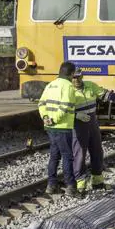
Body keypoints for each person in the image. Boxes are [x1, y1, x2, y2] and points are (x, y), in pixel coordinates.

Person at [71, 68, 115, 193]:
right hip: (78, 124)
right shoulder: (67, 90)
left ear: (82, 76)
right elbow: (63, 108)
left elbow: (106, 94)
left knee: (97, 151)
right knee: (80, 153)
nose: (76, 80)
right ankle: (80, 183)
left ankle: (97, 182)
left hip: (92, 122)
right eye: (74, 77)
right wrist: (75, 115)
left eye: (78, 77)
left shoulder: (90, 86)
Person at [38, 61, 79, 196]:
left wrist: (46, 118)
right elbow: (66, 106)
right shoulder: (68, 86)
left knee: (54, 156)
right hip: (63, 127)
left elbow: (41, 103)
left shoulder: (51, 85)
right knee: (67, 156)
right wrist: (55, 119)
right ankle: (71, 187)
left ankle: (51, 185)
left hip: (50, 127)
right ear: (72, 74)